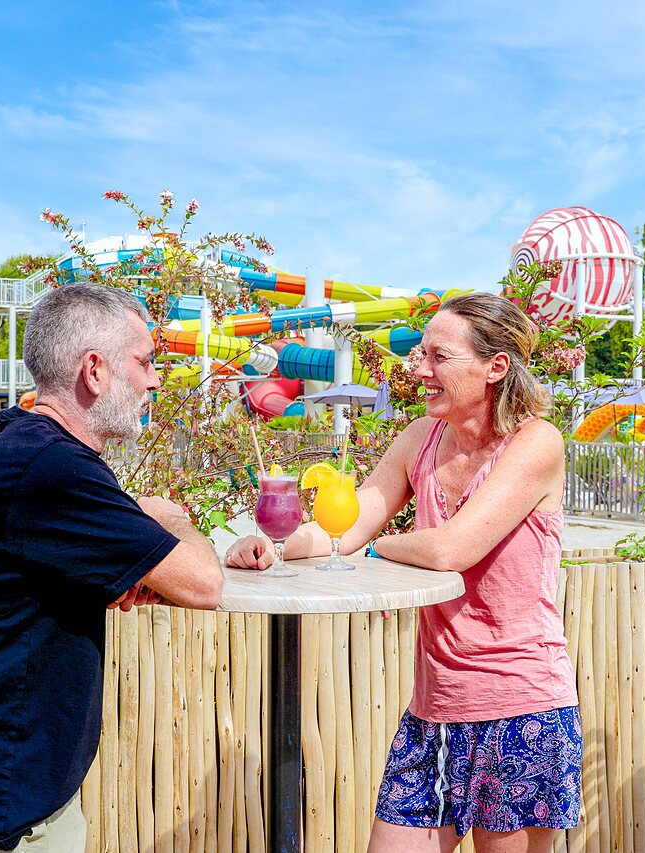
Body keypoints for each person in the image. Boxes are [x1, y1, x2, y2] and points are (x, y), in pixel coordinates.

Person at [228, 293, 581, 853]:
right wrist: (272, 545)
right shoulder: (421, 437)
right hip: (434, 708)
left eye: (437, 356)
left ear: (495, 368)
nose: (416, 367)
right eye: (420, 352)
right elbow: (347, 526)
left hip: (520, 707)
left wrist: (374, 550)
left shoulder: (536, 442)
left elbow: (450, 549)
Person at [0, 284, 224, 853]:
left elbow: (46, 574)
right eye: (146, 361)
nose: (155, 379)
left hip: (7, 793)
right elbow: (203, 584)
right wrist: (165, 516)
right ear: (95, 371)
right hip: (2, 817)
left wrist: (133, 561)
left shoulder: (25, 440)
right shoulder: (52, 467)